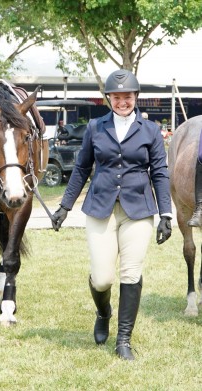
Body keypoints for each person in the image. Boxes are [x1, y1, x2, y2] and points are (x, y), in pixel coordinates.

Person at [52, 69, 172, 360]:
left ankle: (124, 340)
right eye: (117, 97)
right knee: (103, 278)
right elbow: (81, 168)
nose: (122, 102)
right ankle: (103, 312)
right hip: (101, 208)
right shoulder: (96, 127)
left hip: (138, 211)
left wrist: (166, 213)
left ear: (135, 98)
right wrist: (65, 206)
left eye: (127, 97)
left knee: (130, 273)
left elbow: (159, 171)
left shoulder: (151, 130)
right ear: (109, 98)